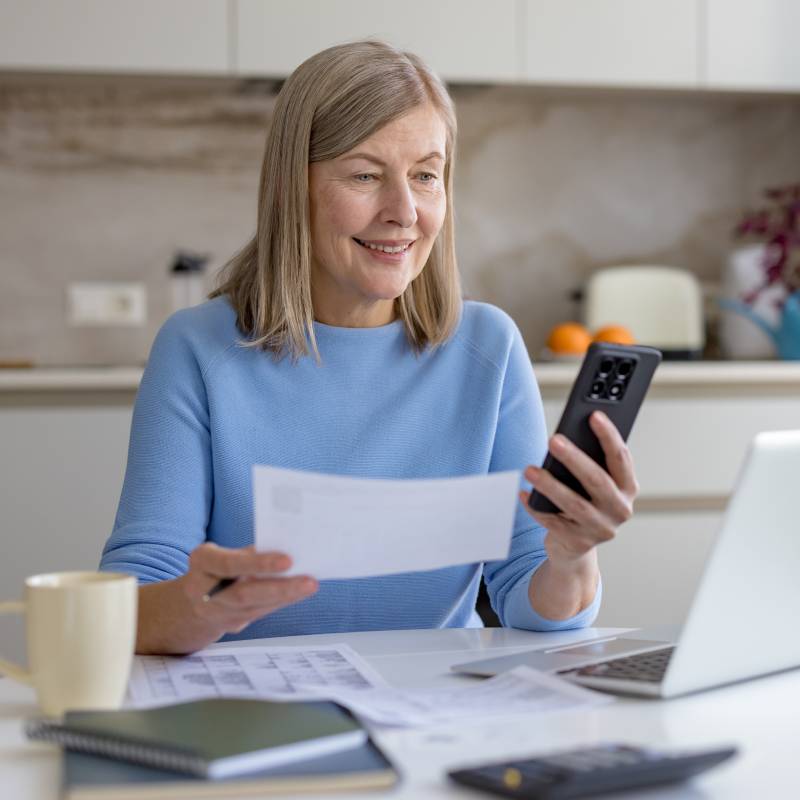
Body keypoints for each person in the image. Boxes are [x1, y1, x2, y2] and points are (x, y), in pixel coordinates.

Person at [100, 41, 638, 655]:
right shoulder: (199, 350)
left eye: (425, 176)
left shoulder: (488, 348)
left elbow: (527, 599)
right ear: (291, 189)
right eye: (365, 175)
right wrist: (207, 605)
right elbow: (132, 604)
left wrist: (572, 556)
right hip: (256, 712)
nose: (404, 212)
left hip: (436, 712)